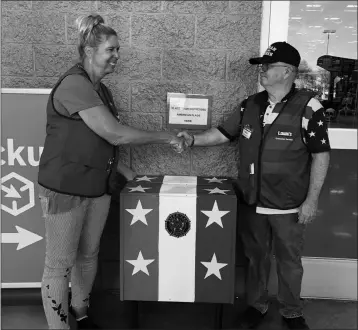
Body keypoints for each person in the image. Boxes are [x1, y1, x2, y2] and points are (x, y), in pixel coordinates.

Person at [37, 14, 183, 330]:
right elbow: (114, 134)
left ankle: (81, 312)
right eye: (111, 50)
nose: (117, 56)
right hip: (65, 189)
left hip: (97, 188)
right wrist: (166, 136)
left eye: (118, 50)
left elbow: (102, 146)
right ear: (89, 51)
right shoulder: (74, 84)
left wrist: (131, 175)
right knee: (59, 266)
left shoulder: (102, 90)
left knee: (88, 255)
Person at [177, 42, 330, 329]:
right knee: (256, 258)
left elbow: (321, 155)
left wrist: (312, 200)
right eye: (262, 65)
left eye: (267, 66)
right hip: (252, 200)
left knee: (289, 262)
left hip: (289, 204)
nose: (262, 70)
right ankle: (257, 305)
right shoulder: (251, 104)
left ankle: (292, 311)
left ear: (287, 72)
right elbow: (223, 133)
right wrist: (193, 140)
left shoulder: (310, 107)